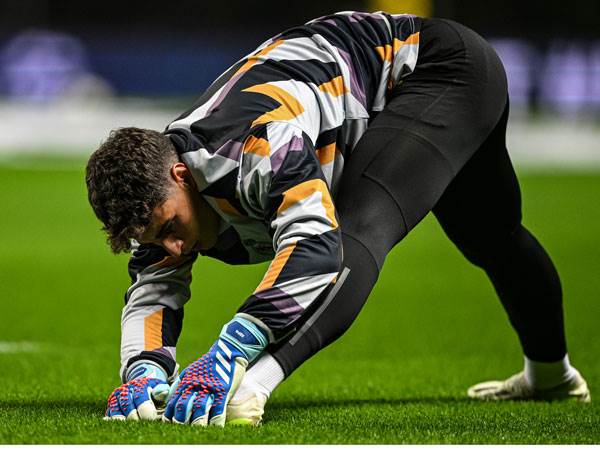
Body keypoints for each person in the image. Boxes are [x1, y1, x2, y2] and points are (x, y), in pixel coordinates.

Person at [86, 11, 590, 426]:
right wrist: (144, 373)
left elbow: (315, 248)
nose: (171, 248)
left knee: (357, 228)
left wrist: (232, 355)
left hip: (441, 71)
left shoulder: (257, 147)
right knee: (492, 238)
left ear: (181, 173)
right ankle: (553, 378)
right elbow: (154, 288)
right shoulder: (158, 195)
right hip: (410, 93)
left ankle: (256, 388)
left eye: (171, 228)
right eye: (153, 239)